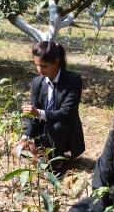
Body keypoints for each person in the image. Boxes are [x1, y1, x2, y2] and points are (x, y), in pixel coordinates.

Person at [19, 40, 84, 170]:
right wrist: (26, 136)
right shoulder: (37, 82)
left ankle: (57, 161)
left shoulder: (73, 80)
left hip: (64, 130)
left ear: (56, 62)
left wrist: (39, 113)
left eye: (43, 66)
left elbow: (67, 112)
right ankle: (43, 154)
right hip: (44, 130)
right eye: (36, 65)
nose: (39, 70)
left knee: (57, 126)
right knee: (26, 143)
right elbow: (33, 114)